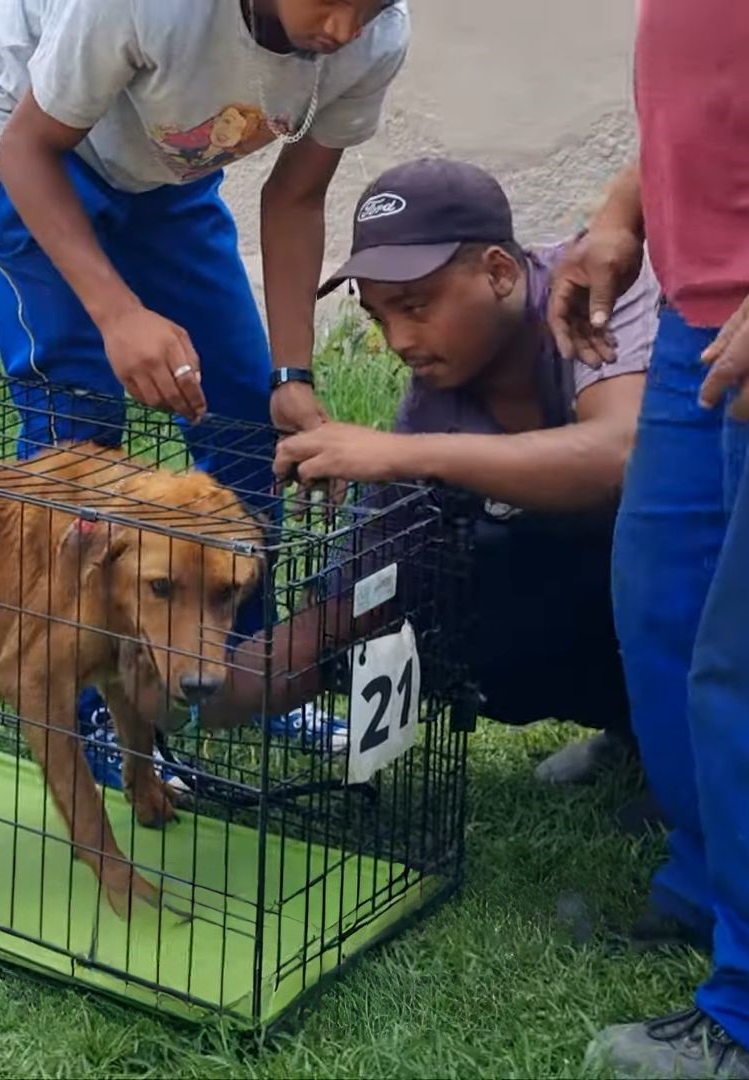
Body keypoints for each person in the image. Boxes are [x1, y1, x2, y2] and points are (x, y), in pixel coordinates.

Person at [0, 0, 412, 765]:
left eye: (369, 8)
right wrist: (118, 313)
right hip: (21, 132)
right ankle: (84, 702)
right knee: (79, 426)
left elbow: (294, 197)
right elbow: (28, 148)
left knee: (245, 414)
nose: (341, 30)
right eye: (330, 2)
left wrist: (291, 373)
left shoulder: (372, 39)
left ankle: (245, 675)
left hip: (163, 172)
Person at [268, 156, 658, 792]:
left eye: (415, 305)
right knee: (456, 602)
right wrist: (206, 688)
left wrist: (406, 454)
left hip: (717, 545)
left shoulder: (603, 279)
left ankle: (685, 744)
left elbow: (622, 457)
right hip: (610, 568)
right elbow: (361, 597)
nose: (398, 339)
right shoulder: (433, 399)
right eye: (379, 317)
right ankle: (633, 727)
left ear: (499, 272)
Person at [546, 1, 749, 1074]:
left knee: (741, 661)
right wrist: (624, 208)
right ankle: (708, 884)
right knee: (660, 611)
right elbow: (706, 87)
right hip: (695, 311)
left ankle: (745, 1013)